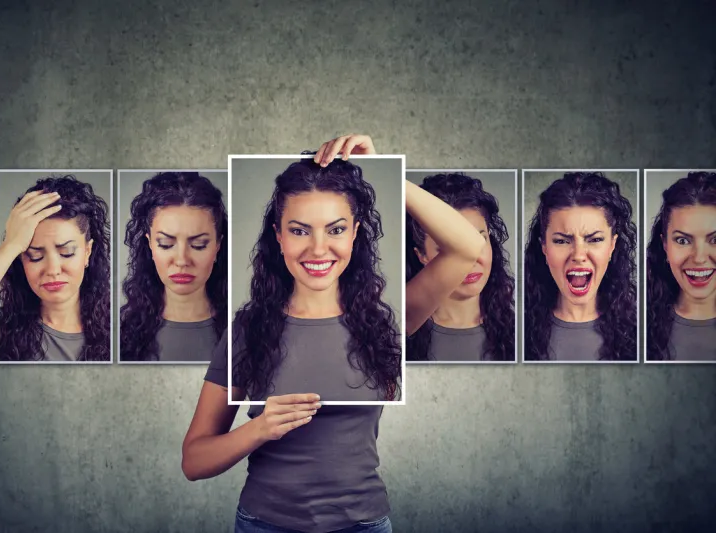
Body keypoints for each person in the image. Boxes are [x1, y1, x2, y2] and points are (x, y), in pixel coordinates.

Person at [183, 135, 399, 533]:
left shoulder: (384, 326)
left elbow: (466, 248)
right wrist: (259, 428)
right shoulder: (248, 331)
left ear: (356, 232)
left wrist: (391, 169)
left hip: (363, 524)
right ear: (278, 236)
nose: (318, 249)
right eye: (299, 231)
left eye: (335, 229)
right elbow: (193, 461)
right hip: (266, 525)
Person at [524, 171, 637, 361]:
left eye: (595, 240)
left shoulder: (641, 333)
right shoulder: (519, 332)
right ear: (544, 246)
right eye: (561, 241)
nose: (578, 255)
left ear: (612, 246)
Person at [0, 175, 110, 362]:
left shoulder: (121, 329)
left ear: (87, 252)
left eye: (66, 253)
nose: (52, 269)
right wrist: (11, 245)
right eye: (35, 256)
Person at [406, 173, 513, 361]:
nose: (471, 260)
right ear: (421, 255)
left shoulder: (524, 331)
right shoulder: (401, 323)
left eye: (481, 240)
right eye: (448, 248)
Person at [120, 172, 227, 362]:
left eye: (199, 245)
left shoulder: (241, 331)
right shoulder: (118, 332)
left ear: (218, 245)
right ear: (150, 244)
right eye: (166, 244)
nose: (182, 260)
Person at [647, 171, 716, 361]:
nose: (699, 258)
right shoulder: (638, 327)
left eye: (715, 239)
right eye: (683, 240)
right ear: (665, 245)